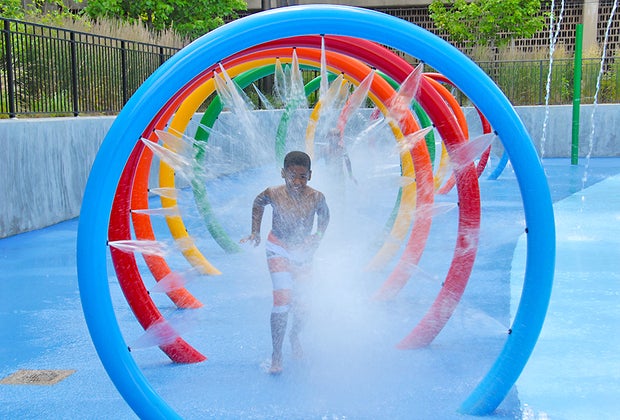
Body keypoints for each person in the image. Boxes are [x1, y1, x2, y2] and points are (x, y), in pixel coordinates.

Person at [240, 151, 330, 374]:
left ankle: (295, 335)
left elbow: (325, 216)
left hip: (302, 253)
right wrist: (255, 231)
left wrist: (317, 238)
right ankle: (276, 354)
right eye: (292, 176)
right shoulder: (274, 193)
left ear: (310, 175)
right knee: (282, 300)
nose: (297, 181)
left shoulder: (316, 197)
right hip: (277, 247)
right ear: (283, 174)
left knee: (303, 304)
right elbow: (258, 203)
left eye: (302, 176)